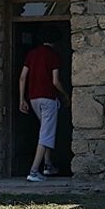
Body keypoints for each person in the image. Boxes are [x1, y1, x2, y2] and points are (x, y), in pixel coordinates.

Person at [19, 35, 71, 182]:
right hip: (48, 99)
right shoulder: (53, 56)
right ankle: (34, 171)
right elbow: (55, 81)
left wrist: (22, 99)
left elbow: (23, 77)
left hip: (33, 98)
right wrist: (65, 95)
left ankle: (48, 165)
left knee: (45, 130)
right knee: (46, 134)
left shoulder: (32, 54)